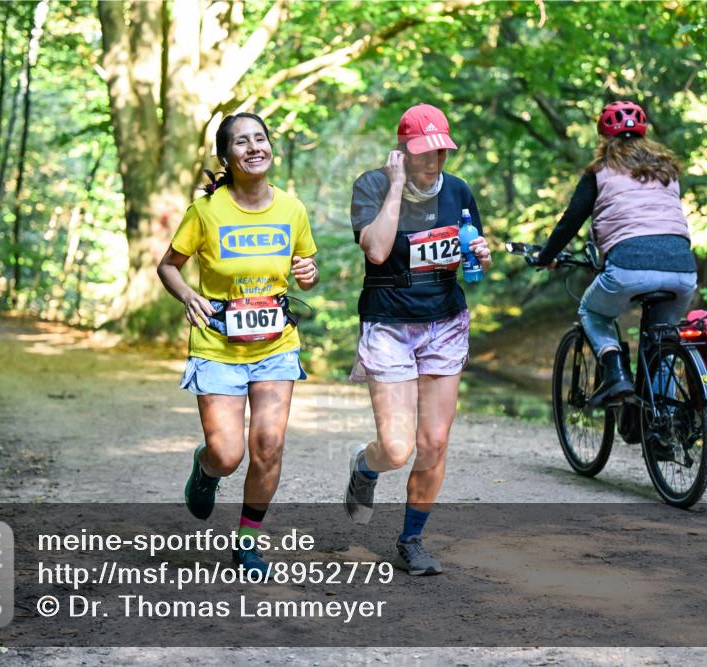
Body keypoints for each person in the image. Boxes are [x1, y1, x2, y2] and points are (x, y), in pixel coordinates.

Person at [157, 112, 319, 575]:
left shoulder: (292, 209)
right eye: (242, 142)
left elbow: (305, 269)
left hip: (274, 343)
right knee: (228, 454)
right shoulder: (206, 211)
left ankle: (248, 541)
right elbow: (169, 265)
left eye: (260, 139)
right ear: (226, 156)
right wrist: (188, 294)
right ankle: (205, 470)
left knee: (268, 444)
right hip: (217, 344)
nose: (254, 148)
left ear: (271, 148)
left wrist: (308, 273)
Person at [344, 103, 491, 576]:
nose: (433, 162)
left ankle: (412, 540)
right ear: (403, 150)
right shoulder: (371, 185)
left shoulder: (461, 191)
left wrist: (480, 253)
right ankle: (365, 468)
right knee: (397, 447)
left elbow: (469, 254)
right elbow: (378, 249)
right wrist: (395, 189)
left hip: (444, 322)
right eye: (423, 152)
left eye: (440, 152)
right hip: (388, 323)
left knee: (433, 442)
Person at [533, 100, 698, 406]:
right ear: (644, 133)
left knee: (592, 311)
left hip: (629, 266)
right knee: (662, 341)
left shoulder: (600, 171)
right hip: (683, 270)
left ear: (604, 137)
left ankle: (616, 375)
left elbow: (572, 220)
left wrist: (546, 256)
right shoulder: (668, 171)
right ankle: (664, 427)